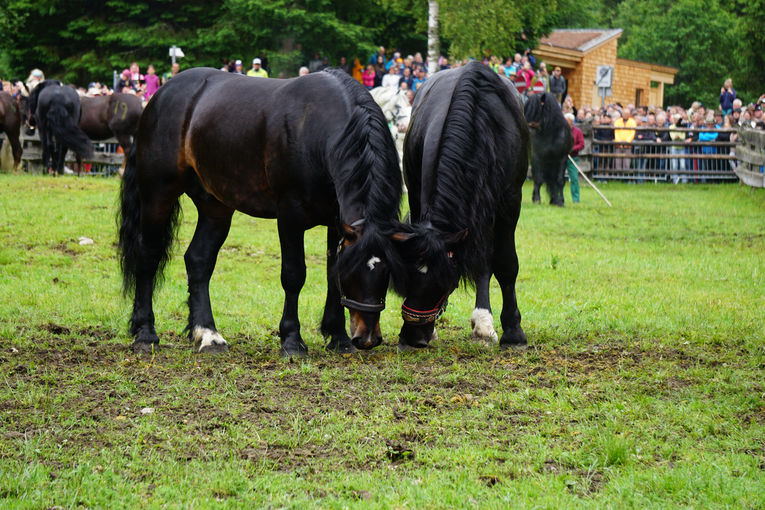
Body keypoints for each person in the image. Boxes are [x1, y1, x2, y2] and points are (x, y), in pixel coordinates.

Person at [564, 112, 583, 203]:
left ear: (571, 121)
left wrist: (571, 149)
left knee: (574, 178)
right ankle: (558, 198)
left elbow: (581, 144)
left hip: (573, 158)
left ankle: (576, 199)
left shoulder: (577, 131)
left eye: (566, 120)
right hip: (562, 158)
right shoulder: (561, 130)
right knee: (559, 178)